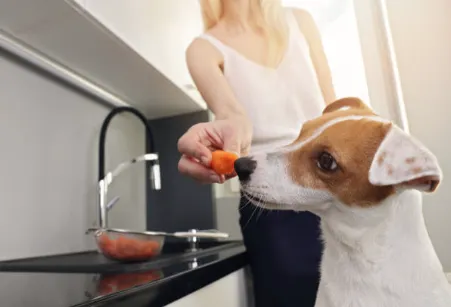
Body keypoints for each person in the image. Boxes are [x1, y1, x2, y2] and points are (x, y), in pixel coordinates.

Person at [177, 0, 336, 306]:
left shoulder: (300, 21)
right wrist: (233, 131)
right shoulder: (202, 49)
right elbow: (232, 114)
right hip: (270, 205)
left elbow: (333, 112)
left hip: (331, 192)